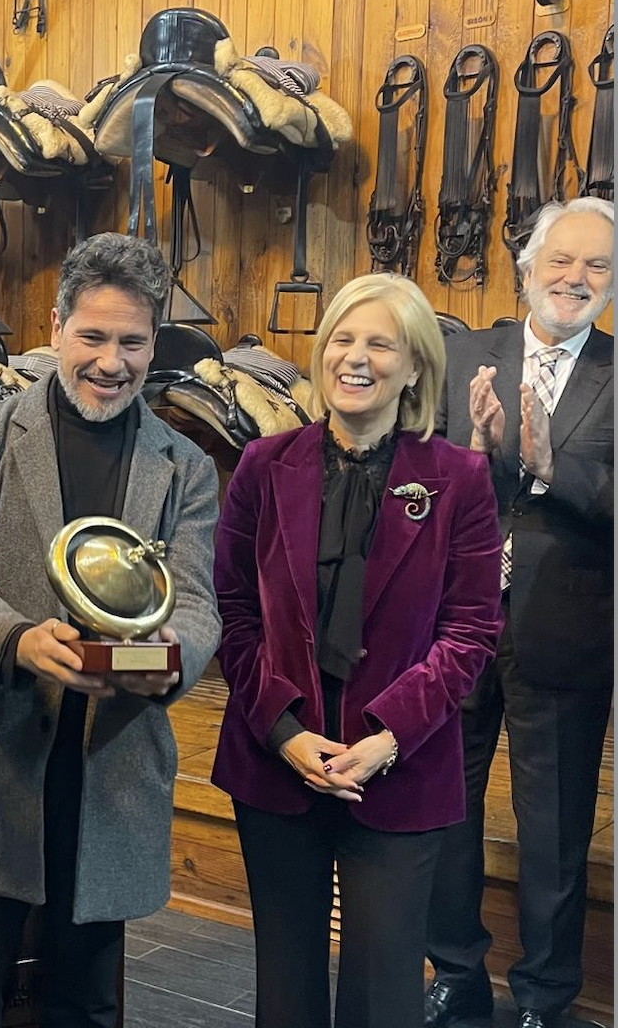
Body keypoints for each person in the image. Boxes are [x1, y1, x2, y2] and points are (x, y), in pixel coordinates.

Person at [0, 232, 222, 1027]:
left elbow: (198, 605)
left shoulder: (186, 465)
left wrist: (157, 664)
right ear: (55, 327)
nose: (111, 362)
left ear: (154, 346)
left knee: (85, 1003)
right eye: (93, 337)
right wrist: (19, 642)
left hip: (108, 759)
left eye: (132, 343)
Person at [211, 272, 503, 1028]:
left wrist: (385, 740)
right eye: (343, 337)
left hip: (400, 774)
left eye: (382, 343)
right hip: (276, 767)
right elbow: (235, 614)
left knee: (384, 993)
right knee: (287, 988)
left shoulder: (460, 480)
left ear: (414, 368)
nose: (356, 356)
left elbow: (470, 630)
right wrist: (283, 731)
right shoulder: (262, 466)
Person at [425, 197, 614, 1028]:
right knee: (445, 813)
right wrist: (468, 461)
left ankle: (544, 998)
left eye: (598, 266)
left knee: (554, 834)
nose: (575, 278)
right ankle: (455, 974)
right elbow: (409, 481)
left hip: (565, 635)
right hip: (451, 628)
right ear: (526, 268)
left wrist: (549, 468)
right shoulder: (464, 352)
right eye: (561, 260)